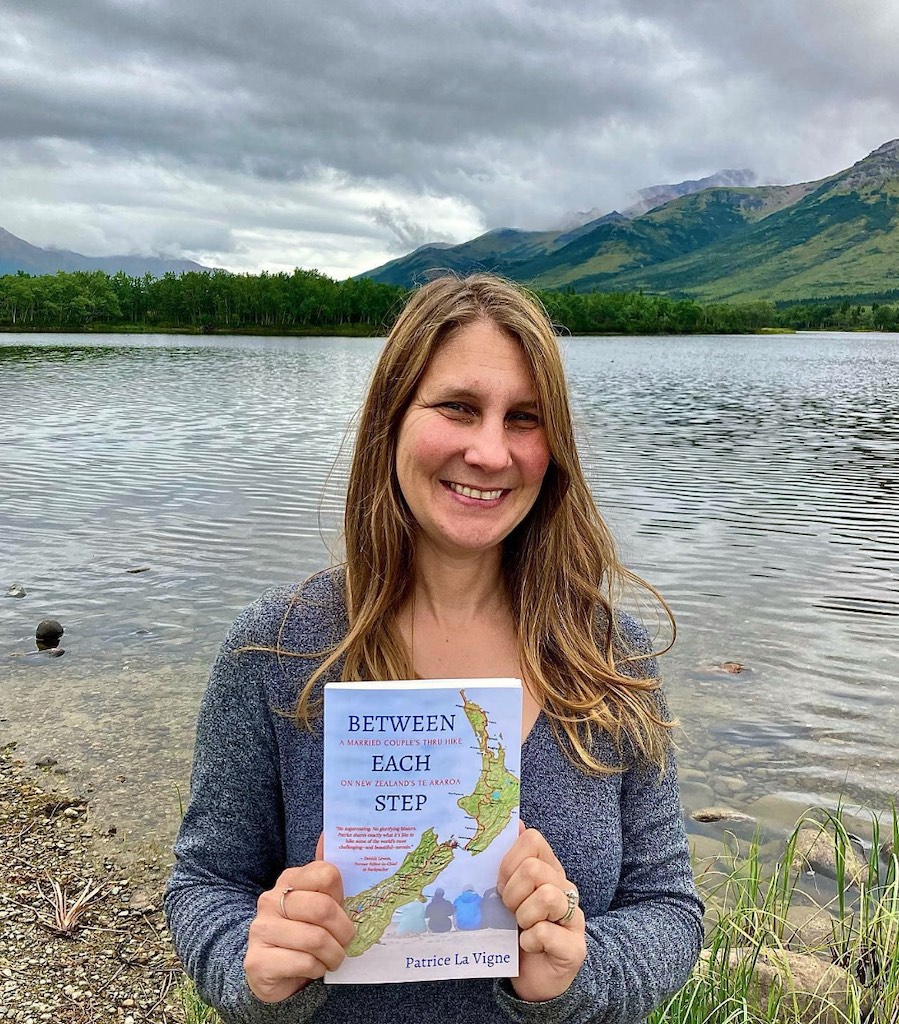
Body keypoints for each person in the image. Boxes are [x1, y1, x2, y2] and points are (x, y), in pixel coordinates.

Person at [165, 273, 704, 1023]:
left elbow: (670, 910)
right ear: (391, 420)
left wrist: (574, 974)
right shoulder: (276, 650)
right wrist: (250, 966)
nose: (490, 452)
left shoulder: (610, 658)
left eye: (525, 418)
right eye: (458, 408)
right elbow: (204, 883)